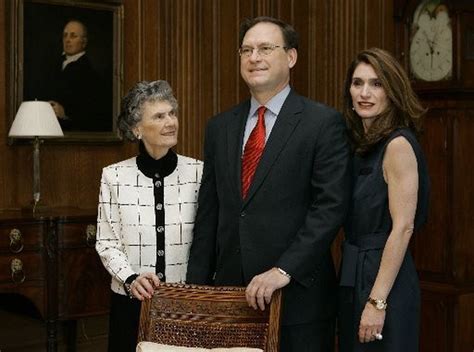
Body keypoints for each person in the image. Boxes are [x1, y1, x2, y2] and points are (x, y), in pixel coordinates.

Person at [186, 16, 351, 352]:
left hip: (298, 301)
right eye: (246, 50)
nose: (254, 57)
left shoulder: (322, 123)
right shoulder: (220, 127)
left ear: (290, 57)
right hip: (231, 301)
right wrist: (197, 291)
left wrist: (283, 269)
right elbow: (209, 213)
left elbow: (330, 208)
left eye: (265, 48)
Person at [96, 80, 203, 352]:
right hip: (130, 304)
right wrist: (131, 280)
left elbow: (209, 237)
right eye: (159, 116)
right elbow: (107, 243)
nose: (171, 122)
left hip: (185, 304)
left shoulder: (199, 173)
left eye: (172, 113)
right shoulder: (114, 176)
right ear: (136, 128)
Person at [338, 48, 430, 352]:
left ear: (393, 91)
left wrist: (377, 301)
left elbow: (403, 227)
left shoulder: (398, 145)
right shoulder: (359, 145)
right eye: (357, 83)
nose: (365, 93)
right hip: (354, 273)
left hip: (384, 281)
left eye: (377, 84)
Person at [48, 19, 110, 131]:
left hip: (73, 132)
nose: (67, 40)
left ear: (84, 42)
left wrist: (65, 113)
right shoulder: (54, 64)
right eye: (65, 35)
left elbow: (94, 110)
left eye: (73, 36)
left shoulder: (90, 73)